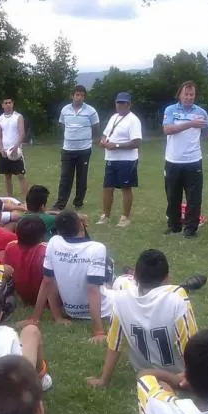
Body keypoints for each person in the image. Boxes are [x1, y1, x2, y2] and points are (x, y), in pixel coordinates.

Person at [86, 249, 198, 389]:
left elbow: (115, 344)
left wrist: (103, 380)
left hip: (145, 374)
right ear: (167, 277)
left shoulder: (120, 299)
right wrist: (193, 378)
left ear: (135, 276)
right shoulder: (177, 298)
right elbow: (191, 346)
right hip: (178, 374)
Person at [27, 211, 111, 341]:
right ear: (81, 226)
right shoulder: (97, 248)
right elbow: (92, 289)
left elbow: (47, 282)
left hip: (70, 310)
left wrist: (41, 318)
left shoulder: (54, 242)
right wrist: (99, 332)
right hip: (105, 309)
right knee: (123, 281)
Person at [162, 81, 208, 237]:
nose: (188, 97)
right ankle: (174, 226)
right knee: (173, 195)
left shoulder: (201, 112)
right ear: (179, 95)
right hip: (173, 160)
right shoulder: (171, 110)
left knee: (194, 197)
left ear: (195, 96)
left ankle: (190, 228)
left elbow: (207, 136)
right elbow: (167, 130)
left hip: (193, 161)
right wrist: (190, 124)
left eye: (191, 95)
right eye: (185, 94)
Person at [97, 92, 142, 228]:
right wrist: (103, 141)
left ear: (129, 105)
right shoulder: (113, 117)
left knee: (125, 188)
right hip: (111, 158)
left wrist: (115, 145)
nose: (120, 105)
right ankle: (105, 215)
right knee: (107, 187)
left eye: (124, 103)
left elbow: (137, 142)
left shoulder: (133, 120)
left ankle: (125, 217)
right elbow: (105, 134)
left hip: (127, 160)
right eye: (118, 102)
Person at [54, 85, 100, 211]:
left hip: (84, 149)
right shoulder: (65, 110)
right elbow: (62, 125)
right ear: (72, 96)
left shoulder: (91, 111)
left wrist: (94, 140)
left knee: (82, 177)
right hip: (68, 149)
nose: (79, 97)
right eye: (77, 94)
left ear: (84, 97)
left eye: (82, 95)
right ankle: (60, 204)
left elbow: (96, 127)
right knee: (65, 177)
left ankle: (78, 202)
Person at [3, 216, 47, 306]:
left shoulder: (10, 246)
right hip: (46, 299)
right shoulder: (47, 250)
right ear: (41, 236)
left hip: (24, 297)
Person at [0, 97, 28, 197]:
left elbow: (22, 133)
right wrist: (1, 149)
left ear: (13, 104)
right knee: (7, 175)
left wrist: (16, 147)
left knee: (20, 175)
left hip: (16, 151)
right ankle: (10, 197)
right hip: (4, 151)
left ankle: (27, 200)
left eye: (10, 102)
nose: (8, 104)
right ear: (2, 105)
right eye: (6, 103)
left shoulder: (18, 117)